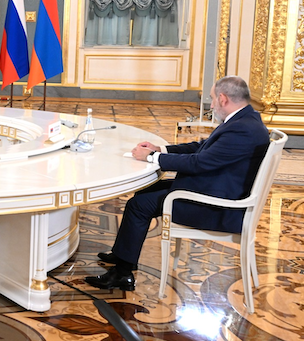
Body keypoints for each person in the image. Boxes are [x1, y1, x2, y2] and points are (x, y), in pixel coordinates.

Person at [85, 76, 269, 291]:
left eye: (212, 99)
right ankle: (123, 255)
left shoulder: (242, 129)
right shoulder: (246, 121)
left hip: (219, 208)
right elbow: (202, 147)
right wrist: (161, 149)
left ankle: (122, 274)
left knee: (139, 205)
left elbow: (200, 163)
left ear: (223, 98)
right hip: (218, 189)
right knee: (145, 193)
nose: (211, 105)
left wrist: (151, 157)